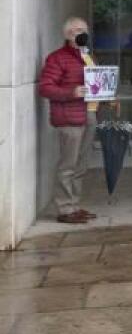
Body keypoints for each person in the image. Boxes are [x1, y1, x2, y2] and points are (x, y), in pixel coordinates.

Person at [37, 17, 99, 224]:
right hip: (69, 116)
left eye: (83, 29)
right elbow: (45, 87)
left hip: (88, 112)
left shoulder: (87, 55)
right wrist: (71, 92)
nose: (80, 33)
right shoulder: (57, 58)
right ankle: (65, 209)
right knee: (68, 165)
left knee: (81, 164)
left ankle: (74, 204)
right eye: (75, 30)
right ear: (66, 35)